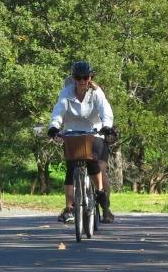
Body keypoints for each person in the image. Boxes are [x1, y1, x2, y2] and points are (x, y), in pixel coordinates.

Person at [47, 60, 116, 224]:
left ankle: (103, 202)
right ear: (74, 78)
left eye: (85, 77)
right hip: (72, 134)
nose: (82, 81)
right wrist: (54, 127)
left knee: (98, 166)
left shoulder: (96, 93)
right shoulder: (66, 93)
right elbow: (58, 111)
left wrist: (107, 127)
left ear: (90, 78)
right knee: (71, 168)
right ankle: (69, 208)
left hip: (95, 133)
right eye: (78, 78)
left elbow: (105, 111)